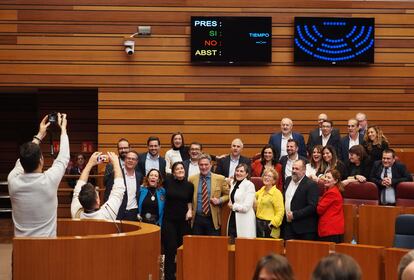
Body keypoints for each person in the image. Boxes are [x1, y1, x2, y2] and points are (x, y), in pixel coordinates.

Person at [8, 113, 70, 237]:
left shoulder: (12, 180)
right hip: (47, 250)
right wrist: (63, 129)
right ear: (41, 160)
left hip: (22, 250)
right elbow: (63, 157)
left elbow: (21, 161)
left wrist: (39, 135)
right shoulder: (49, 181)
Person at [71, 151, 125, 221]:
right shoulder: (107, 214)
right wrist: (116, 163)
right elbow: (119, 189)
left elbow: (78, 187)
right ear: (98, 201)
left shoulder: (76, 213)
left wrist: (90, 164)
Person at [162, 161, 194, 280]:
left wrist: (190, 210)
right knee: (170, 248)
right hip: (169, 220)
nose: (180, 170)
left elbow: (189, 201)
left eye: (182, 168)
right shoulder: (167, 182)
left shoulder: (189, 185)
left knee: (182, 248)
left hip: (183, 221)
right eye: (177, 169)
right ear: (173, 172)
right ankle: (169, 277)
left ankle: (182, 274)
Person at [188, 153, 229, 236]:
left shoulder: (220, 179)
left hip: (213, 219)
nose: (204, 167)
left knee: (213, 246)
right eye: (201, 165)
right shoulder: (192, 179)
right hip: (197, 219)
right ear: (198, 165)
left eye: (206, 164)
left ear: (211, 165)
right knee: (197, 245)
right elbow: (188, 197)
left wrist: (220, 200)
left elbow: (228, 194)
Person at [283, 159, 319, 240]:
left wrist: (295, 215)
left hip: (304, 229)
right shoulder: (288, 180)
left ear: (304, 171)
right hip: (288, 227)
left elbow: (312, 207)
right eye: (293, 168)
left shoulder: (311, 185)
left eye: (297, 169)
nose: (294, 171)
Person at [104, 151, 142, 221]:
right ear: (124, 160)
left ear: (136, 162)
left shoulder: (139, 176)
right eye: (128, 158)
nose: (130, 160)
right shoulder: (116, 175)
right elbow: (107, 194)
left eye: (133, 159)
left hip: (133, 212)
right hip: (118, 212)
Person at [228, 163, 256, 241]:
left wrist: (233, 206)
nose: (238, 173)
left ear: (246, 174)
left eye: (241, 171)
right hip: (233, 217)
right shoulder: (233, 183)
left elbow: (246, 207)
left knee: (244, 246)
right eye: (237, 171)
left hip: (245, 220)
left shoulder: (249, 185)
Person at [255, 167, 284, 238]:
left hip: (270, 226)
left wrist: (272, 224)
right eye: (265, 175)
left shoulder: (277, 193)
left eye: (269, 176)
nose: (266, 177)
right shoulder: (262, 190)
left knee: (269, 248)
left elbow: (280, 212)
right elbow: (253, 195)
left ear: (274, 180)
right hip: (259, 223)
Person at [317, 169, 344, 243]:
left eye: (329, 178)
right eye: (325, 177)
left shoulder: (332, 192)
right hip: (333, 229)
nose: (326, 179)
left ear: (335, 181)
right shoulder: (331, 190)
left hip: (330, 229)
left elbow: (319, 209)